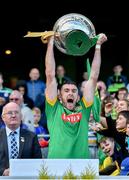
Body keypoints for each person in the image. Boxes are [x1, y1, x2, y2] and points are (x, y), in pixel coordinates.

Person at [41, 32, 107, 158]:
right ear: (59, 96)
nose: (70, 93)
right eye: (66, 91)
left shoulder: (84, 107)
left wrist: (98, 46)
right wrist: (50, 42)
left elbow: (93, 77)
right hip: (56, 164)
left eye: (74, 91)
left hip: (81, 165)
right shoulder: (54, 108)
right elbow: (49, 74)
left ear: (78, 96)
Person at [0, 102, 42, 176]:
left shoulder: (31, 137)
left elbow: (38, 163)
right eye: (10, 113)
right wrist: (3, 172)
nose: (13, 115)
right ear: (3, 117)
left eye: (16, 112)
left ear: (21, 116)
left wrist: (22, 171)